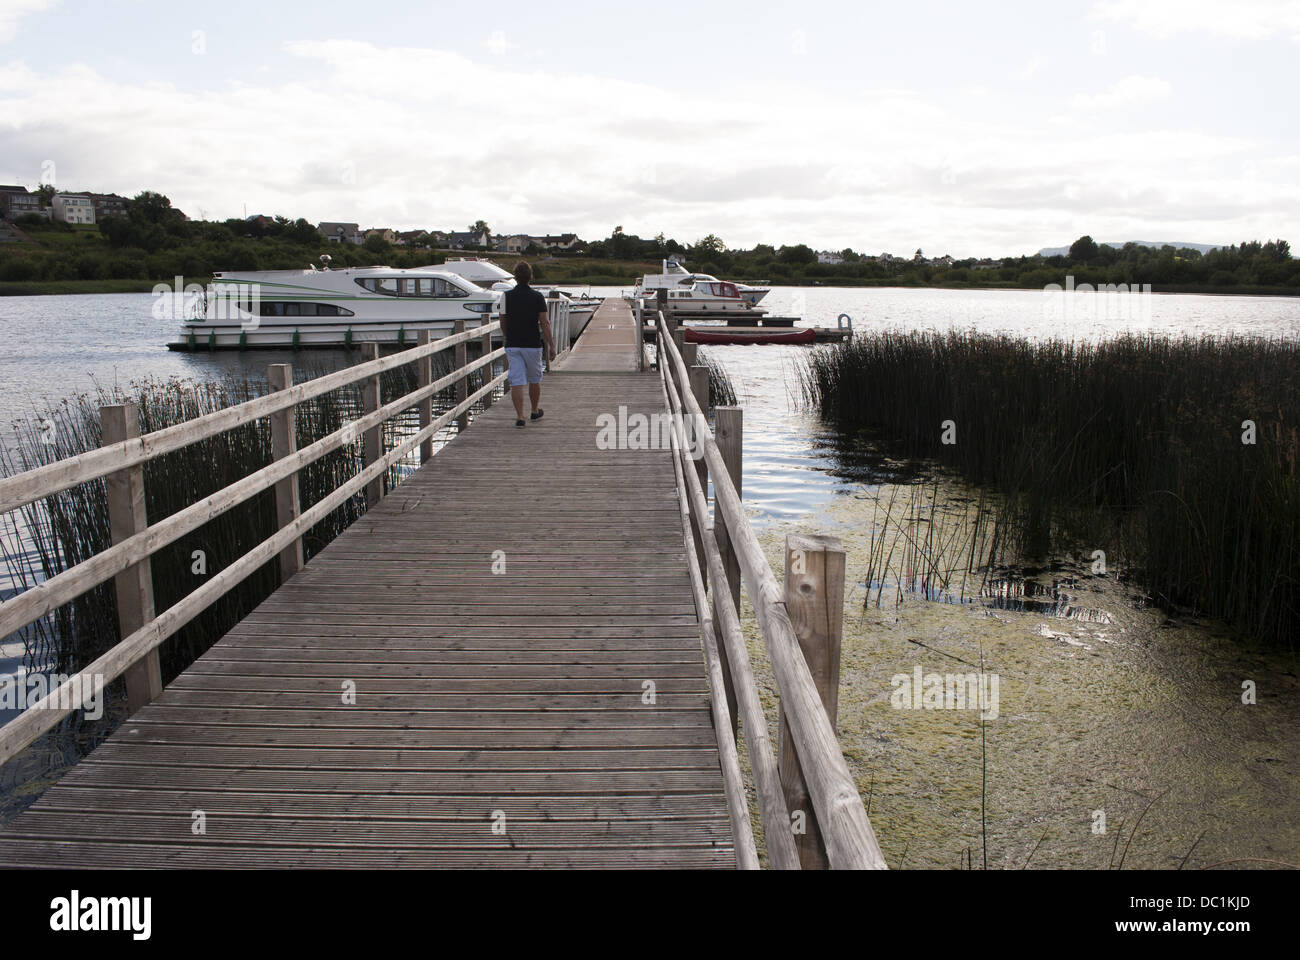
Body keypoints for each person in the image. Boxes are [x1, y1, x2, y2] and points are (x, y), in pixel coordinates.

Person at [500, 261, 556, 428]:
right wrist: (551, 345)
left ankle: (520, 416)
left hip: (513, 344)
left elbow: (502, 320)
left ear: (515, 277)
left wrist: (507, 335)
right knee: (534, 379)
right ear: (530, 277)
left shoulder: (506, 296)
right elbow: (544, 323)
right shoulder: (537, 297)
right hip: (532, 344)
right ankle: (534, 410)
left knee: (516, 380)